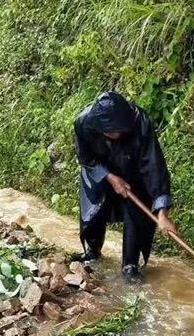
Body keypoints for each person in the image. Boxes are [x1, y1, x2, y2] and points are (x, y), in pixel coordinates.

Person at [73, 91, 177, 282]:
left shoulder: (140, 122)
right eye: (110, 131)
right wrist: (110, 177)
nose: (116, 134)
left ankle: (130, 265)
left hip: (133, 173)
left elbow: (154, 166)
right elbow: (85, 158)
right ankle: (93, 250)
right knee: (95, 211)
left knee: (136, 213)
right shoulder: (83, 122)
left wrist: (162, 213)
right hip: (100, 172)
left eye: (119, 130)